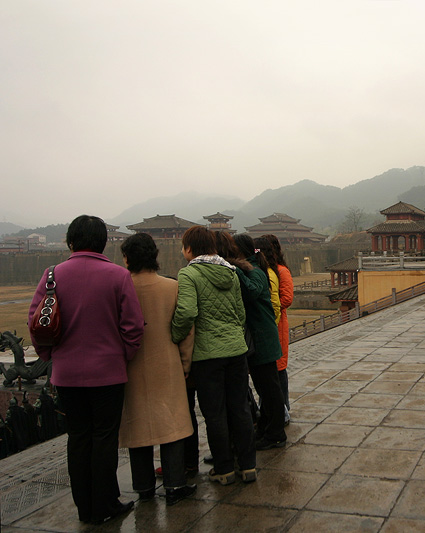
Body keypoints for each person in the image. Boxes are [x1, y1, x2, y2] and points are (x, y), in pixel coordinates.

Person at [28, 214, 144, 524]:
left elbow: (36, 322)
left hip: (66, 375)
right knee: (105, 438)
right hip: (108, 374)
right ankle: (106, 503)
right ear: (104, 243)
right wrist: (123, 356)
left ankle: (85, 507)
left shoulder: (51, 275)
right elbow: (133, 327)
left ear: (70, 241)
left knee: (78, 438)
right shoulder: (118, 276)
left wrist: (51, 355)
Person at [171, 226, 256, 485]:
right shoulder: (231, 272)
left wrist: (174, 336)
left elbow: (186, 313)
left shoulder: (189, 274)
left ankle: (224, 469)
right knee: (240, 408)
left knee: (215, 413)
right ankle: (248, 466)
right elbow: (240, 313)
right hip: (236, 350)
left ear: (189, 248)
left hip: (208, 356)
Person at [118, 233, 196, 506]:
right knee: (171, 424)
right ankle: (175, 484)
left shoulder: (121, 288)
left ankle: (144, 486)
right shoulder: (171, 287)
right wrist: (185, 363)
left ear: (127, 258)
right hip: (168, 362)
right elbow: (186, 330)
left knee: (138, 427)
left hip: (131, 365)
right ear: (155, 256)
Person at [231, 233, 287, 450]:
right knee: (265, 389)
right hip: (260, 338)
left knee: (270, 389)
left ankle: (276, 433)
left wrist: (234, 269)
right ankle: (266, 428)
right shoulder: (253, 268)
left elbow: (252, 292)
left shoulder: (255, 271)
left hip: (263, 338)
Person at [256, 234, 294, 425]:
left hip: (277, 325)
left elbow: (287, 298)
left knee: (279, 369)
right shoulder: (265, 271)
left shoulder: (281, 271)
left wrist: (269, 309)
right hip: (269, 324)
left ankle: (283, 409)